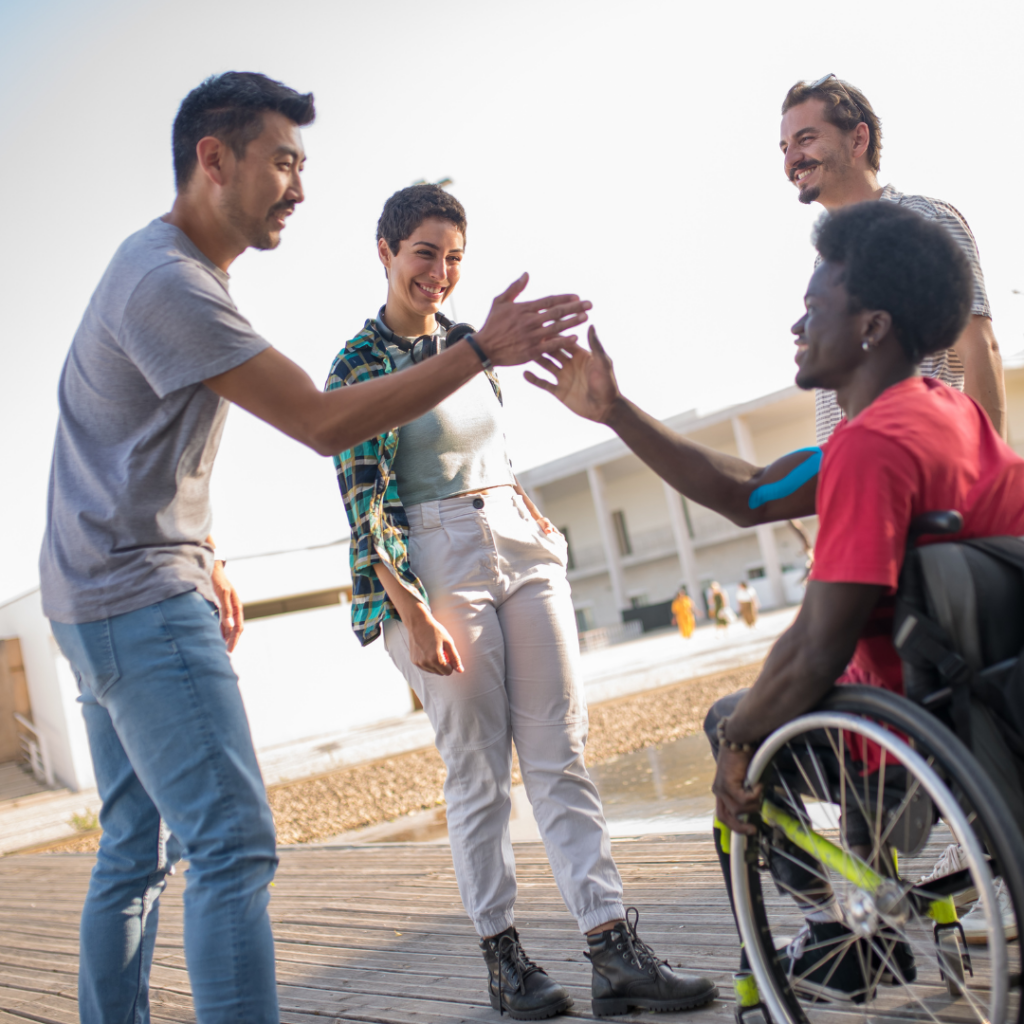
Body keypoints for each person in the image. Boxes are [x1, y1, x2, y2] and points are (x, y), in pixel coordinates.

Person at [40, 73, 593, 1024]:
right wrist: (477, 352)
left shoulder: (164, 269)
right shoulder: (171, 283)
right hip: (136, 596)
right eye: (284, 162)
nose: (300, 189)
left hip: (91, 586)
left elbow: (130, 441)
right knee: (233, 847)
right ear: (215, 159)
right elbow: (324, 424)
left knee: (132, 848)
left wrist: (206, 543)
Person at [527, 200, 1024, 1001]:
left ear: (871, 327)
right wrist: (616, 411)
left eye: (812, 308)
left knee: (739, 721)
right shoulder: (944, 412)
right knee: (817, 701)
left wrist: (738, 746)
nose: (797, 326)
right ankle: (862, 916)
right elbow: (751, 491)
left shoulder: (871, 447)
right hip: (995, 712)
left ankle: (838, 935)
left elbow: (814, 645)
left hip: (921, 739)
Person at [325, 184, 718, 1020]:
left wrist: (521, 501)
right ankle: (505, 962)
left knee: (561, 754)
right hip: (432, 562)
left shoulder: (470, 344)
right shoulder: (357, 364)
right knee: (477, 771)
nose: (441, 272)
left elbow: (483, 451)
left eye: (455, 256)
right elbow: (364, 503)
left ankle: (613, 948)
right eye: (425, 252)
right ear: (386, 252)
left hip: (517, 541)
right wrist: (410, 608)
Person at [779, 75, 1005, 443]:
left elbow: (979, 348)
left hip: (926, 473)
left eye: (806, 139)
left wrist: (983, 483)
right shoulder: (825, 262)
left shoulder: (923, 220)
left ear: (858, 139)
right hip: (862, 481)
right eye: (784, 147)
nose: (791, 159)